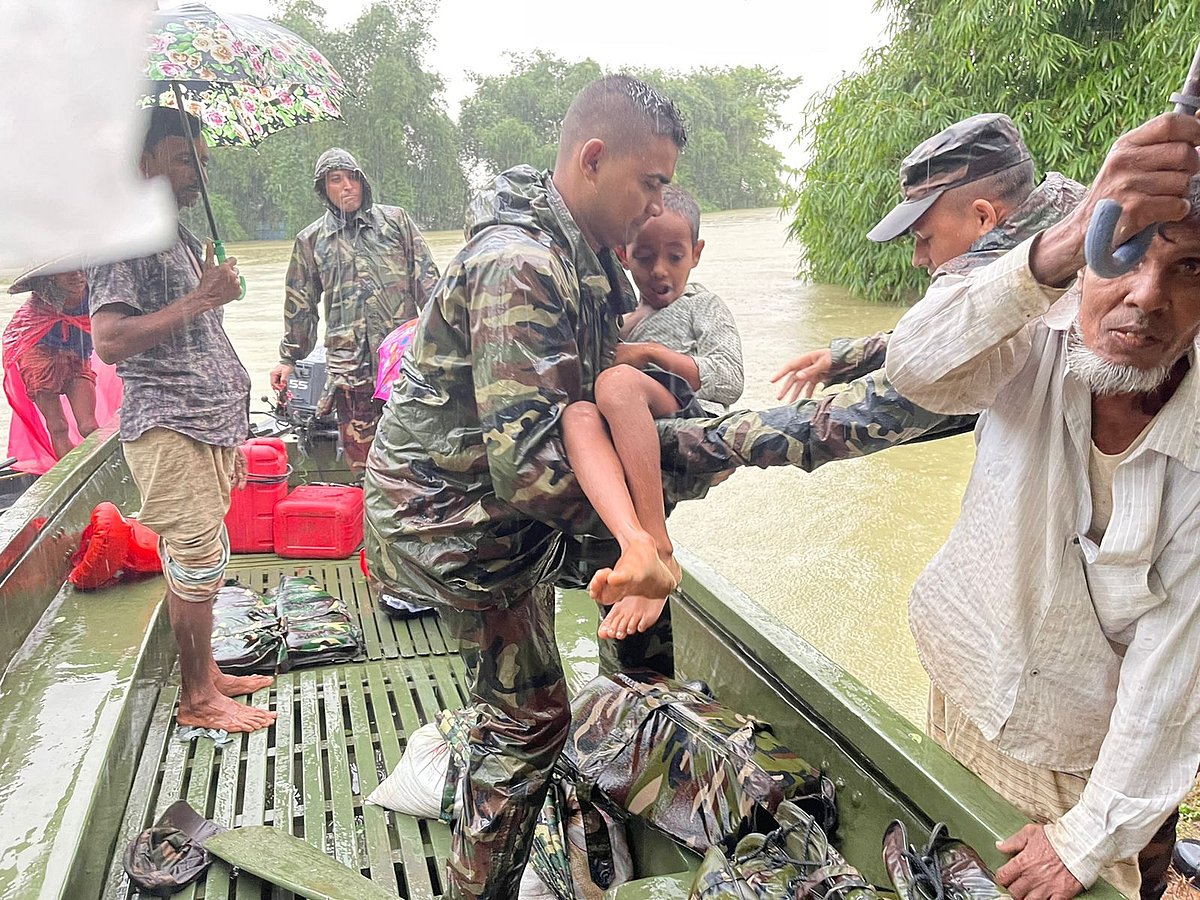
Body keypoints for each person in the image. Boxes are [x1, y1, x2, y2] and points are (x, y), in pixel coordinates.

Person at [364, 74, 686, 899]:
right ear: (592, 159)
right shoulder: (521, 263)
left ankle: (628, 704)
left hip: (487, 509)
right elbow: (536, 474)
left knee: (615, 607)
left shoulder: (586, 260)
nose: (657, 208)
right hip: (446, 524)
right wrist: (671, 491)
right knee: (534, 721)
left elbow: (592, 391)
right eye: (650, 185)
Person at [884, 111, 1200, 900]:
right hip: (961, 681)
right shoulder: (1029, 332)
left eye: (1190, 269)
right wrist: (1065, 243)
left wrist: (1085, 839)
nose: (1146, 297)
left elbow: (1175, 668)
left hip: (1080, 756)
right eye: (1120, 254)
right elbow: (915, 368)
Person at [657, 113, 1080, 482]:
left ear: (984, 217)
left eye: (924, 238)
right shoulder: (1072, 250)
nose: (918, 258)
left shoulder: (1043, 311)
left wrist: (677, 441)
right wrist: (846, 357)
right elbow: (960, 327)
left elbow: (850, 419)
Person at [88, 107, 275, 734]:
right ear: (145, 164)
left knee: (207, 553)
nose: (198, 170)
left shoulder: (178, 233)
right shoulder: (124, 236)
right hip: (169, 423)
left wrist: (211, 291)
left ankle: (208, 673)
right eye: (182, 157)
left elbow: (197, 330)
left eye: (202, 156)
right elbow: (110, 341)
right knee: (196, 558)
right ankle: (197, 696)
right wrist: (200, 296)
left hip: (208, 422)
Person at [562, 184, 743, 640]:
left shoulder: (702, 306)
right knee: (577, 416)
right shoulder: (616, 316)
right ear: (623, 255)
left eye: (675, 257)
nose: (660, 271)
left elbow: (730, 379)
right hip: (627, 447)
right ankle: (634, 542)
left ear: (696, 253)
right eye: (644, 258)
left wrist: (650, 354)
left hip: (684, 413)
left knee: (616, 382)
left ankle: (658, 545)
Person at [269, 148, 441, 476]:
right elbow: (300, 307)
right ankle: (368, 516)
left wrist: (447, 342)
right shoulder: (311, 240)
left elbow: (432, 289)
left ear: (364, 182)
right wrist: (289, 358)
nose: (348, 186)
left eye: (353, 177)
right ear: (324, 189)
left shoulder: (396, 222)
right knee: (364, 467)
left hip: (402, 368)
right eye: (336, 180)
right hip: (350, 374)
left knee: (416, 461)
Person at [2, 264, 123, 473]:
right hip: (39, 354)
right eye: (68, 270)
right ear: (52, 277)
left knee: (89, 427)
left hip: (77, 356)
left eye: (81, 269)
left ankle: (102, 471)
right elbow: (22, 333)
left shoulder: (96, 296)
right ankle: (73, 475)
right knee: (57, 426)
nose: (76, 276)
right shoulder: (42, 300)